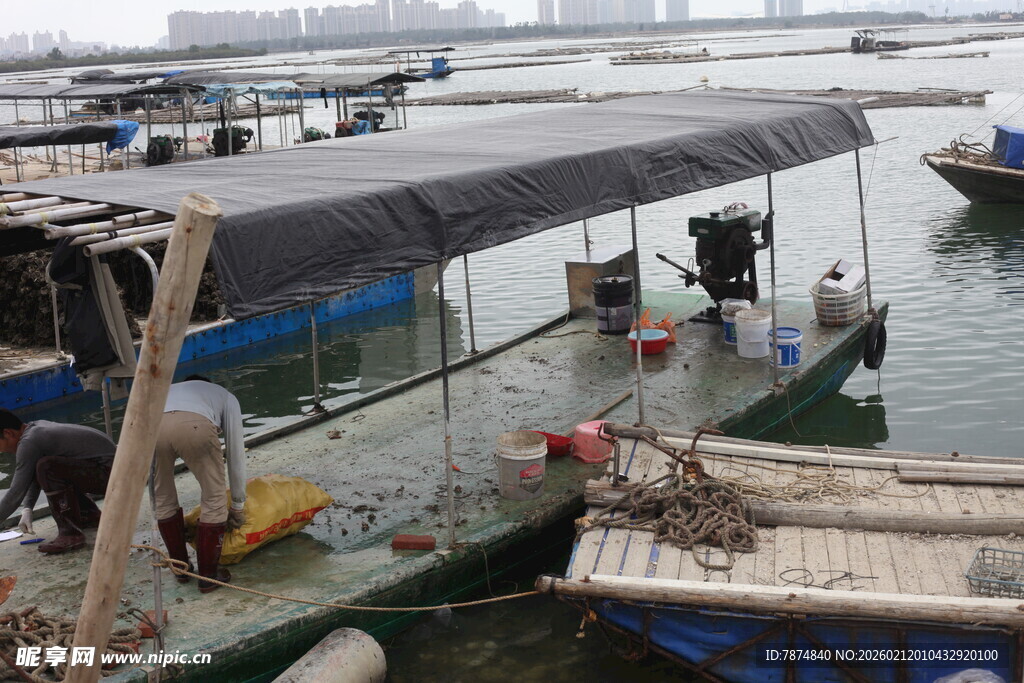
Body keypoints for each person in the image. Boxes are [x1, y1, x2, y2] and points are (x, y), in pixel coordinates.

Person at [152, 376, 247, 593]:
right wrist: (238, 505)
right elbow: (235, 453)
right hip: (194, 425)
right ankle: (208, 576)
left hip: (152, 424)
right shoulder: (224, 395)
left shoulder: (169, 389)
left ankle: (180, 568)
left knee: (163, 495)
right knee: (214, 496)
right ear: (209, 384)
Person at [0, 409, 116, 554]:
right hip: (111, 471)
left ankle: (70, 535)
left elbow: (15, 492)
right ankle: (88, 515)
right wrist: (28, 507)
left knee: (47, 466)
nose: (1, 451)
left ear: (8, 433)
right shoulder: (35, 429)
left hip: (112, 477)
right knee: (44, 466)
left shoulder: (29, 441)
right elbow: (32, 477)